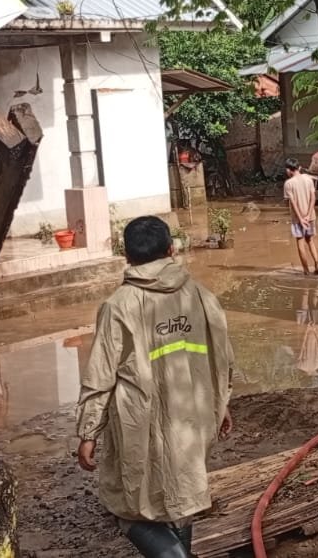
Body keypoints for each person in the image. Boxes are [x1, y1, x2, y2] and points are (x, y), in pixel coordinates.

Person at [76, 216, 234, 558]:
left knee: (130, 505)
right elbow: (223, 359)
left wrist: (89, 431)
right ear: (171, 249)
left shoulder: (120, 305)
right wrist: (223, 403)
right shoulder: (200, 295)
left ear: (128, 257)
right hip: (192, 413)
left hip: (140, 422)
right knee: (183, 493)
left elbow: (100, 374)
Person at [284, 158, 318, 275]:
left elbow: (293, 203)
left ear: (288, 170)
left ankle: (306, 271)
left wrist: (301, 219)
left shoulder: (288, 184)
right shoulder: (308, 179)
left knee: (300, 242)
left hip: (297, 219)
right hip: (311, 216)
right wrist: (307, 215)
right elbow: (313, 198)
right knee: (310, 240)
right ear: (299, 168)